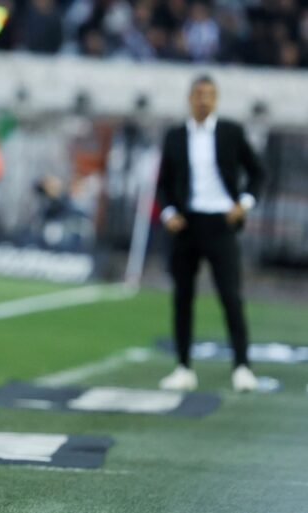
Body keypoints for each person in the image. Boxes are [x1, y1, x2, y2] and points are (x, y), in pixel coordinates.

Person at [156, 75, 264, 393]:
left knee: (230, 296)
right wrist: (168, 213)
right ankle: (183, 367)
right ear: (189, 98)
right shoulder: (175, 136)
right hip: (187, 224)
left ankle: (242, 367)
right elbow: (163, 183)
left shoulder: (231, 132)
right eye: (198, 94)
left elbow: (258, 172)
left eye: (209, 94)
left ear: (216, 99)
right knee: (182, 297)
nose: (203, 100)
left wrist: (244, 203)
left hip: (221, 224)